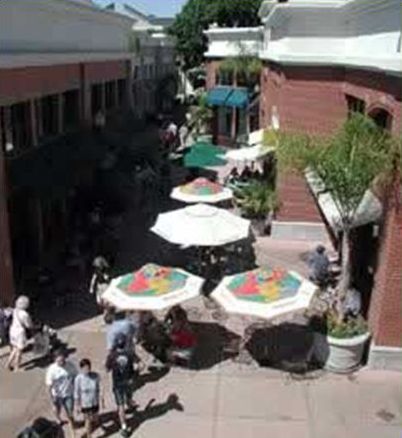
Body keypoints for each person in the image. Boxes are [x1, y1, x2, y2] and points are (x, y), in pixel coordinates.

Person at [105, 334, 136, 437]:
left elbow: (107, 369)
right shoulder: (130, 353)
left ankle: (124, 427)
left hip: (117, 383)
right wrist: (134, 373)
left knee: (120, 406)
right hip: (128, 381)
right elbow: (142, 365)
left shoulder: (112, 355)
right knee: (129, 395)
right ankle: (131, 404)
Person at [46, 349, 77, 436]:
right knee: (57, 410)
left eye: (62, 360)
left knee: (70, 414)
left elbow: (75, 376)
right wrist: (52, 399)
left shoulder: (70, 366)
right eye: (59, 361)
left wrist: (76, 389)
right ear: (55, 360)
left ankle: (72, 432)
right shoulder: (52, 369)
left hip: (68, 394)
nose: (61, 362)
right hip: (57, 395)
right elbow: (49, 385)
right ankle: (59, 419)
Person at [74, 358, 103, 438]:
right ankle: (89, 435)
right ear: (81, 368)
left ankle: (96, 422)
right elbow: (76, 393)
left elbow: (99, 387)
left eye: (88, 368)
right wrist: (77, 405)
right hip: (85, 404)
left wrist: (101, 399)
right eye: (85, 368)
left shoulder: (95, 376)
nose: (87, 370)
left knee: (95, 417)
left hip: (94, 402)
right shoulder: (78, 379)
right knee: (88, 420)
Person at [6, 296, 33, 371]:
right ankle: (17, 366)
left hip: (12, 330)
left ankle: (8, 363)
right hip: (20, 332)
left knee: (14, 348)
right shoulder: (24, 314)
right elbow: (28, 325)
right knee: (19, 350)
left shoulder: (15, 310)